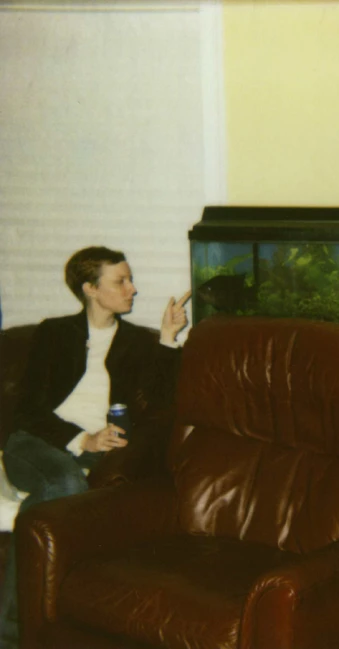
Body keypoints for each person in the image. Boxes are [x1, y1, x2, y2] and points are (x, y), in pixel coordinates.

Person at [0, 246, 191, 649]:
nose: (132, 288)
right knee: (67, 481)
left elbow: (158, 403)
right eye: (120, 280)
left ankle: (26, 625)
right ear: (90, 288)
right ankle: (15, 630)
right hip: (35, 443)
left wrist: (169, 339)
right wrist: (81, 438)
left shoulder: (137, 343)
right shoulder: (53, 333)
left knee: (63, 490)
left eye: (130, 278)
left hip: (93, 452)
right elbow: (28, 411)